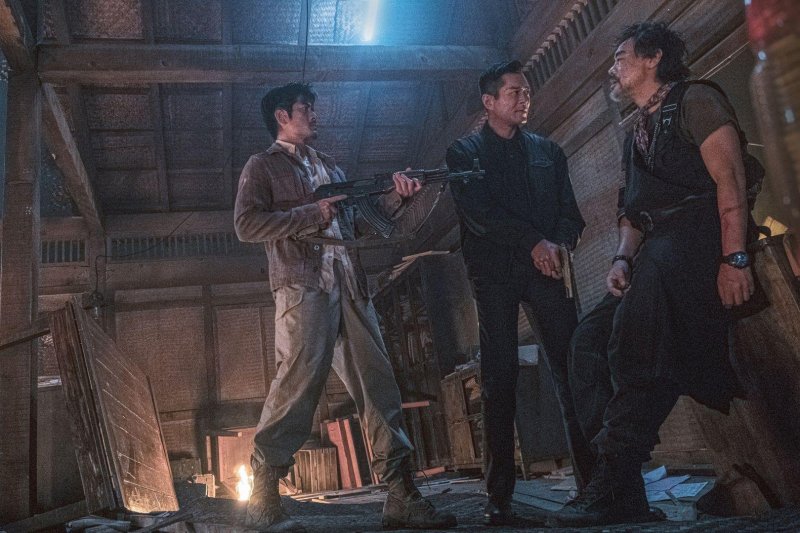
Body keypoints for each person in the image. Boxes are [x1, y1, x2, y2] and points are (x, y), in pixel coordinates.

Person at [551, 21, 756, 527]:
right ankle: (622, 486)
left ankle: (611, 480)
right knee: (587, 342)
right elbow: (633, 212)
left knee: (636, 338)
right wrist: (621, 259)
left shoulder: (696, 100)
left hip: (699, 240)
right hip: (654, 254)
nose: (613, 69)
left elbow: (730, 181)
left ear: (653, 57)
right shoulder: (636, 131)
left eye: (620, 57)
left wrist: (734, 259)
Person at [234, 82, 457, 533]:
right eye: (306, 108)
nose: (315, 114)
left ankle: (400, 494)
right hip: (303, 288)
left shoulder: (330, 166)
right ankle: (263, 496)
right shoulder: (263, 165)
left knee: (378, 386)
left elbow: (360, 225)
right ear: (282, 116)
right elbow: (246, 225)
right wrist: (310, 214)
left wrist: (398, 196)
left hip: (351, 286)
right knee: (296, 386)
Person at [446, 60, 589, 526]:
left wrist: (558, 244)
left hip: (547, 270)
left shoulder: (548, 151)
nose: (524, 98)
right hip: (495, 276)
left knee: (573, 371)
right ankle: (500, 501)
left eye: (526, 91)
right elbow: (480, 216)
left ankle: (594, 487)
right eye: (514, 92)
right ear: (489, 102)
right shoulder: (464, 153)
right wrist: (533, 242)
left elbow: (571, 214)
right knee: (499, 381)